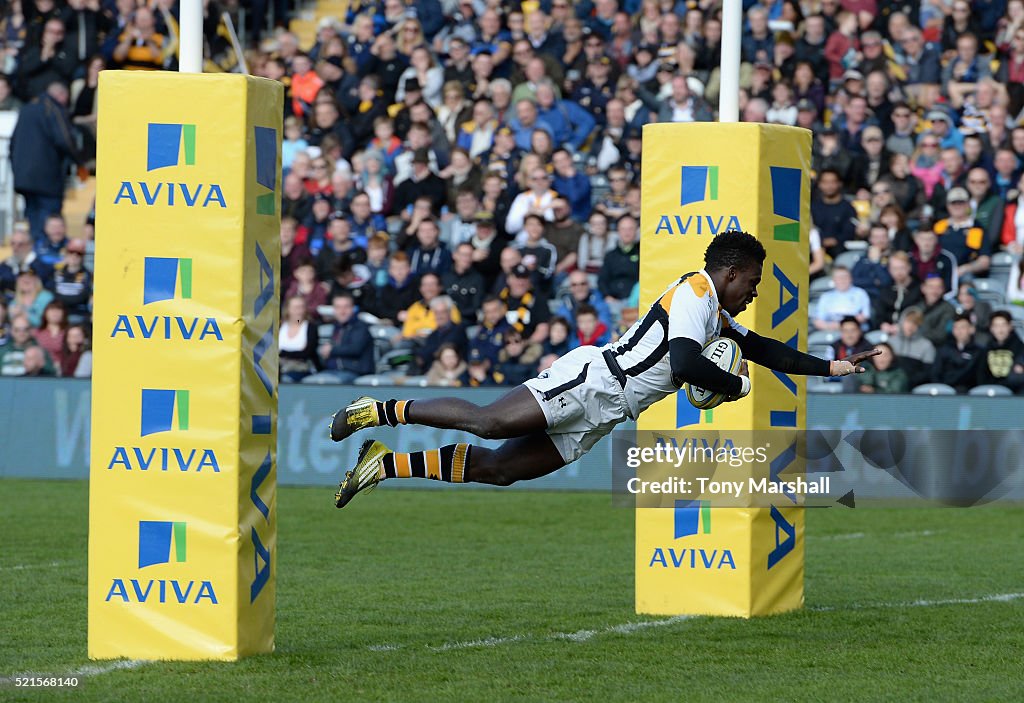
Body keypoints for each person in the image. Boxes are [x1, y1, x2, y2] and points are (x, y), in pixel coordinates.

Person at [327, 231, 878, 508]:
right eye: (754, 280)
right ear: (731, 273)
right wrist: (731, 385)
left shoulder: (717, 313)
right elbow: (685, 362)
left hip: (607, 412)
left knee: (502, 471)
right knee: (490, 424)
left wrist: (834, 366)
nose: (756, 291)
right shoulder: (695, 292)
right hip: (592, 382)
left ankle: (384, 465)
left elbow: (764, 349)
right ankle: (375, 409)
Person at [9, 81, 82, 241]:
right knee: (49, 218)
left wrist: (17, 169)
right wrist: (80, 160)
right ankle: (46, 254)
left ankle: (37, 249)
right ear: (61, 95)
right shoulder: (53, 109)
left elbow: (13, 143)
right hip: (47, 178)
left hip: (24, 177)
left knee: (33, 217)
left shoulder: (27, 108)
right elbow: (65, 139)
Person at [304, 293, 375, 384]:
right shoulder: (337, 327)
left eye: (346, 307)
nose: (342, 311)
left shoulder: (360, 327)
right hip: (332, 371)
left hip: (354, 372)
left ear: (353, 308)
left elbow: (355, 349)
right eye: (338, 307)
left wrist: (331, 350)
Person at [932, 314, 982, 393]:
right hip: (944, 393)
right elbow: (935, 374)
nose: (959, 331)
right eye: (956, 327)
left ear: (971, 329)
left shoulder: (978, 352)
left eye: (962, 327)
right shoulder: (944, 349)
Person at [812, 267, 871, 331]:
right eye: (839, 277)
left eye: (845, 277)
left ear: (851, 278)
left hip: (854, 329)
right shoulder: (826, 297)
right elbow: (818, 320)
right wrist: (830, 326)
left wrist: (844, 325)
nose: (842, 280)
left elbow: (865, 315)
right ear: (833, 280)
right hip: (831, 329)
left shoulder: (860, 293)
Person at [279, 296, 321, 383]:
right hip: (279, 367)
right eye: (295, 307)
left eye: (301, 307)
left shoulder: (311, 327)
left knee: (285, 379)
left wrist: (282, 353)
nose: (299, 311)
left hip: (301, 368)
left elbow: (307, 352)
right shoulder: (280, 327)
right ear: (288, 309)